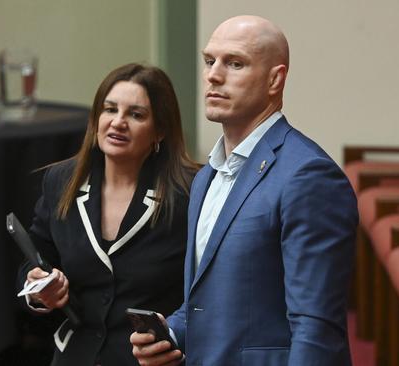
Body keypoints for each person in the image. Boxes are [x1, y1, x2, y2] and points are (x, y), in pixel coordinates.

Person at [130, 15, 359, 365]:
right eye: (209, 61)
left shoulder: (308, 176)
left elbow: (316, 328)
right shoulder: (207, 175)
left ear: (274, 79)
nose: (214, 75)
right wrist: (172, 332)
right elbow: (212, 302)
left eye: (234, 63)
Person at [18, 63, 199, 366]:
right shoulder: (61, 181)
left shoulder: (190, 193)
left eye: (136, 115)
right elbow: (34, 260)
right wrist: (38, 288)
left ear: (160, 130)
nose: (118, 122)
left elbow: (210, 292)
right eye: (110, 109)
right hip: (75, 357)